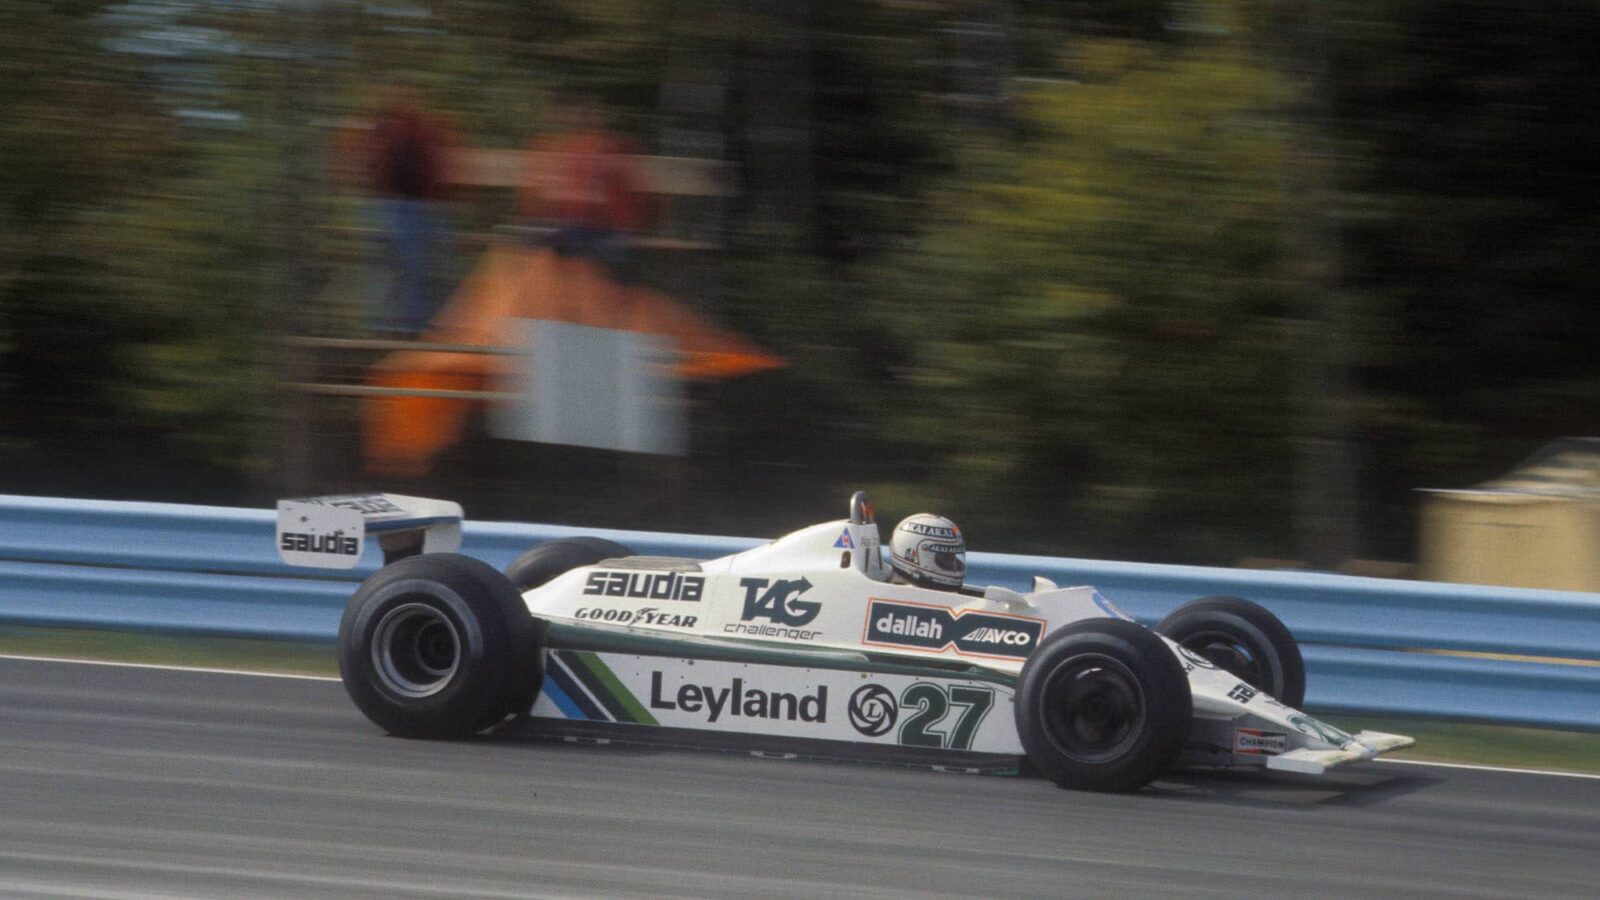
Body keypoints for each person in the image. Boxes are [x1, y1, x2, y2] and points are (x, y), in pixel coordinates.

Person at [518, 90, 649, 275]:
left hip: (595, 225)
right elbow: (538, 195)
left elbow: (623, 197)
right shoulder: (551, 145)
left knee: (576, 239)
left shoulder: (612, 146)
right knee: (559, 236)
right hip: (574, 224)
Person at [365, 86, 455, 335]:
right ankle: (402, 325)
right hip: (400, 206)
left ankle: (408, 325)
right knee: (403, 267)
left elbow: (437, 165)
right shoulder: (392, 129)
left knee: (411, 267)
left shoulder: (419, 129)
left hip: (415, 206)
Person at [887, 513, 967, 592]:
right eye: (946, 557)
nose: (954, 565)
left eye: (953, 557)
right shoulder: (895, 593)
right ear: (912, 556)